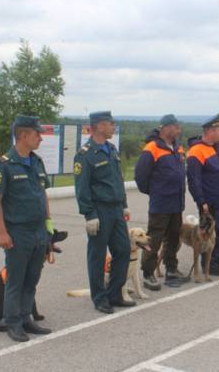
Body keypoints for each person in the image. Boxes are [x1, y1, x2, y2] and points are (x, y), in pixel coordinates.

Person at [0, 114, 52, 342]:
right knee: (15, 280)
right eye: (37, 134)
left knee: (32, 278)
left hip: (38, 231)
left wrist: (49, 226)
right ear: (23, 135)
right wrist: (2, 232)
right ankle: (12, 322)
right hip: (17, 232)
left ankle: (26, 318)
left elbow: (43, 194)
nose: (40, 139)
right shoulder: (3, 164)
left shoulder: (36, 161)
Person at [73, 111, 133, 314]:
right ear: (99, 126)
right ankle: (99, 297)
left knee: (123, 250)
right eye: (110, 123)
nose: (113, 126)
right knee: (97, 256)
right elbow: (82, 188)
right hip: (99, 210)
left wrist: (124, 204)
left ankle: (114, 293)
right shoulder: (85, 154)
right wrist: (89, 214)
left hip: (116, 208)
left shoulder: (112, 149)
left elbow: (118, 179)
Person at [134, 114, 186, 290]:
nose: (178, 129)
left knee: (173, 237)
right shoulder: (152, 148)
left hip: (176, 202)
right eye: (176, 126)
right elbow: (141, 176)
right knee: (154, 238)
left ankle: (171, 269)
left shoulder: (177, 148)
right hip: (161, 203)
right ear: (166, 128)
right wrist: (154, 192)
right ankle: (148, 273)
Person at [186, 114, 219, 276]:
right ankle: (211, 264)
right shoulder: (196, 151)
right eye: (218, 130)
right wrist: (201, 201)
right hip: (211, 200)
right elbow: (194, 180)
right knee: (210, 234)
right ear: (209, 131)